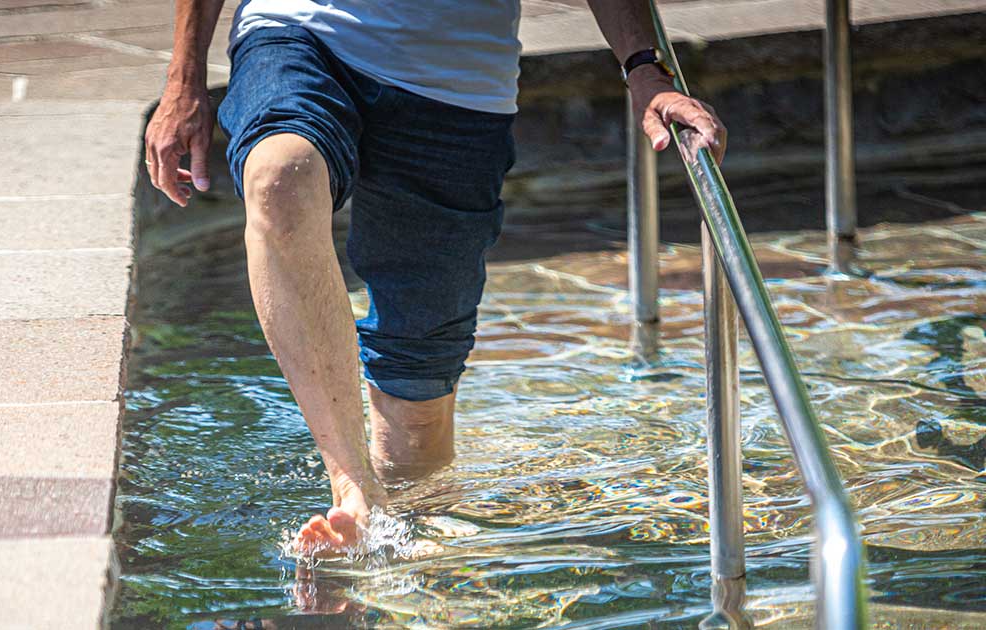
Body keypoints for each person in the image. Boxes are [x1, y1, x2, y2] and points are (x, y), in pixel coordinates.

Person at [145, 0, 728, 556]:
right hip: (297, 32)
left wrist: (643, 69)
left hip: (455, 79)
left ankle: (398, 570)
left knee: (414, 434)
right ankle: (352, 487)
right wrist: (183, 76)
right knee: (278, 176)